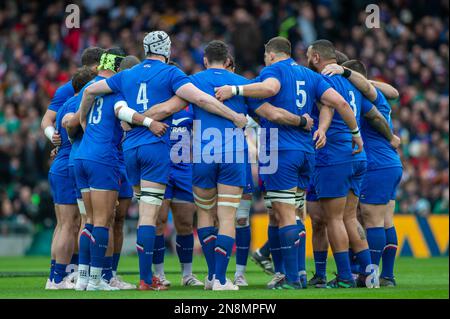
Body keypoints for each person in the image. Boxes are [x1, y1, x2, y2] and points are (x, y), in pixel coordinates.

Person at [77, 31, 248, 291]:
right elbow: (200, 99)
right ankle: (147, 280)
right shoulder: (171, 73)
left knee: (144, 213)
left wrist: (83, 119)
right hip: (155, 147)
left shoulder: (127, 74)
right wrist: (233, 116)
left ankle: (144, 276)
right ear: (167, 49)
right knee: (149, 214)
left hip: (130, 149)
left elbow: (90, 90)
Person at [215, 36, 361, 289]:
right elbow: (337, 103)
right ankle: (304, 273)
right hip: (307, 153)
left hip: (280, 149)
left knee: (283, 215)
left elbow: (270, 91)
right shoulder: (310, 75)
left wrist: (236, 89)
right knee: (295, 213)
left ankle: (292, 278)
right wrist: (351, 132)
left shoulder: (272, 71)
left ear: (270, 54)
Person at [323, 59, 403, 287]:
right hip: (390, 164)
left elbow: (370, 87)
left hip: (377, 164)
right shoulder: (376, 96)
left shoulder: (367, 96)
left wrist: (344, 72)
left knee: (371, 220)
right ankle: (387, 275)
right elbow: (393, 91)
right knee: (386, 221)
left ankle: (370, 275)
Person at [42, 47, 104, 289]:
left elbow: (55, 127)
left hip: (60, 165)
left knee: (65, 224)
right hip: (70, 165)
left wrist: (55, 142)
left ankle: (58, 275)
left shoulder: (66, 102)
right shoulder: (81, 103)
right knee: (72, 224)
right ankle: (58, 278)